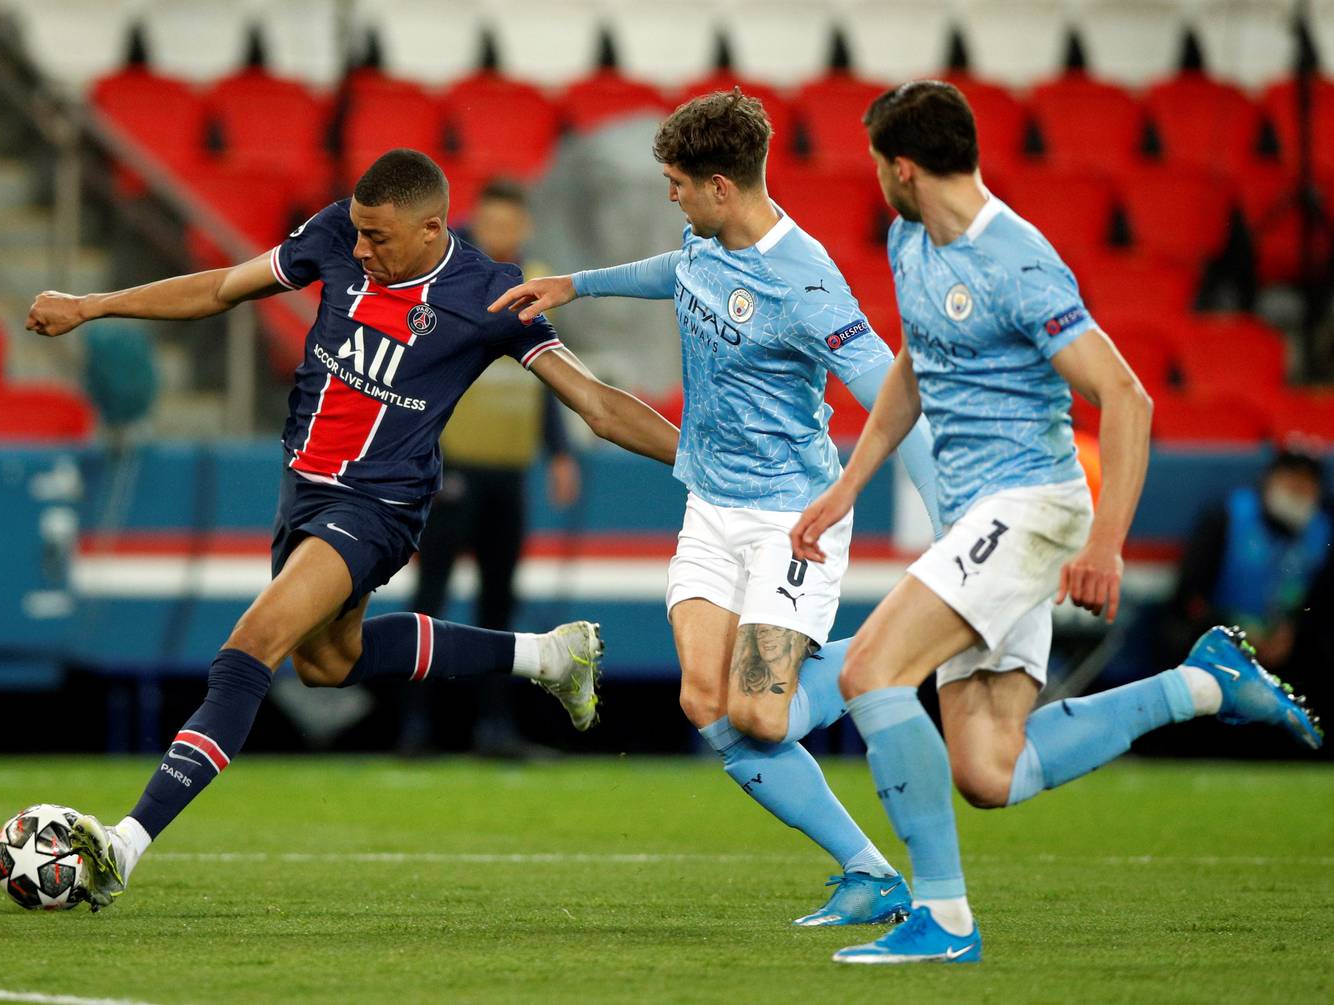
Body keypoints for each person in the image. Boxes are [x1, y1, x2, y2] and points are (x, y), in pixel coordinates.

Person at [24, 149, 680, 910]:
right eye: (359, 232)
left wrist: (700, 458)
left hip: (378, 505)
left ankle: (124, 845)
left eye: (379, 237)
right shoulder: (338, 231)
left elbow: (595, 402)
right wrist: (91, 305)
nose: (361, 247)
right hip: (303, 489)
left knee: (249, 648)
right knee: (329, 661)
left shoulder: (489, 294)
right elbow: (222, 287)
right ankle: (548, 655)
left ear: (432, 228)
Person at [788, 81, 1324, 964]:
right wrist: (849, 485)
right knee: (987, 769)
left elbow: (1126, 396)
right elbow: (914, 369)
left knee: (872, 669)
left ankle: (944, 920)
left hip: (1032, 506)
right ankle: (1205, 685)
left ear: (904, 167)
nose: (876, 179)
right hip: (975, 520)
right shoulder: (909, 240)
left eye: (879, 163)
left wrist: (1105, 541)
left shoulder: (1019, 262)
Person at [491, 89, 943, 927]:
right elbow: (674, 274)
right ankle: (870, 872)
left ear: (721, 187)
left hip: (790, 521)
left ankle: (887, 654)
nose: (670, 196)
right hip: (710, 508)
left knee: (761, 713)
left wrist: (946, 516)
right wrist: (575, 287)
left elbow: (890, 394)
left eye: (677, 184)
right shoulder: (704, 241)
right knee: (705, 701)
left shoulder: (805, 280)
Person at [400, 180, 582, 758]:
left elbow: (547, 372)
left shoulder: (537, 282)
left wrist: (558, 450)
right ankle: (415, 728)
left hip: (509, 469)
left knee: (500, 601)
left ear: (525, 226)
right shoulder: (446, 275)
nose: (501, 234)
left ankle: (494, 727)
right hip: (451, 466)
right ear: (477, 222)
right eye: (493, 223)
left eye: (511, 224)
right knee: (431, 595)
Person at [1161, 446, 1331, 687]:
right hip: (1220, 639)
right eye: (1290, 480)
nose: (1297, 490)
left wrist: (1291, 632)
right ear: (1270, 479)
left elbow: (1321, 602)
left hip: (1287, 649)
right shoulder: (1228, 516)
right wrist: (1235, 631)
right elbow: (1189, 594)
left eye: (1306, 484)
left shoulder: (1323, 530)